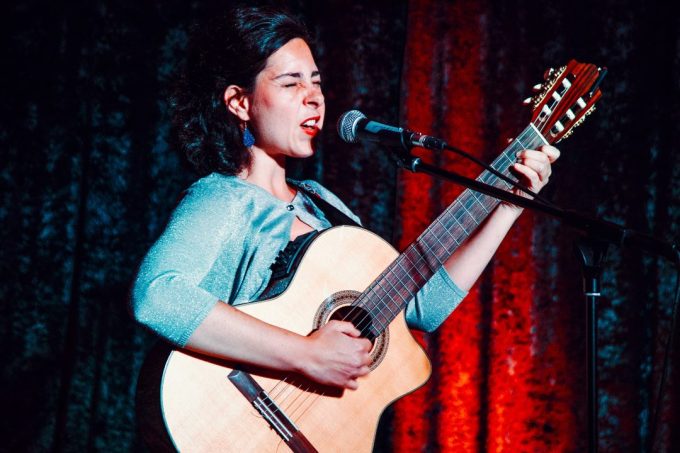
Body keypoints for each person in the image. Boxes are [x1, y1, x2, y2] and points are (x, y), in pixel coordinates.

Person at [131, 6, 559, 391]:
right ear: (240, 103)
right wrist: (306, 353)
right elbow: (157, 297)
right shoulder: (223, 198)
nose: (314, 98)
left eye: (316, 82)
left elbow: (421, 308)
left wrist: (508, 206)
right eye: (291, 83)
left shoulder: (320, 202)